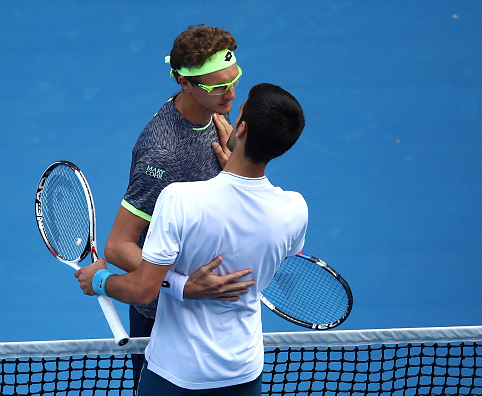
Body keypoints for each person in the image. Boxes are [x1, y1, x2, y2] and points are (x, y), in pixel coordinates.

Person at [76, 83, 308, 395]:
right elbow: (263, 229)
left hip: (174, 375)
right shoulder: (295, 209)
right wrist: (240, 174)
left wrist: (99, 281)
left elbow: (143, 290)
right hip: (244, 374)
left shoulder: (180, 199)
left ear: (241, 130)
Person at [102, 24, 254, 386]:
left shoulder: (216, 112)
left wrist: (232, 164)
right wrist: (183, 285)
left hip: (208, 301)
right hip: (163, 316)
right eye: (218, 86)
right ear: (184, 82)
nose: (231, 94)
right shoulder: (162, 153)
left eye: (234, 80)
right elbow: (118, 246)